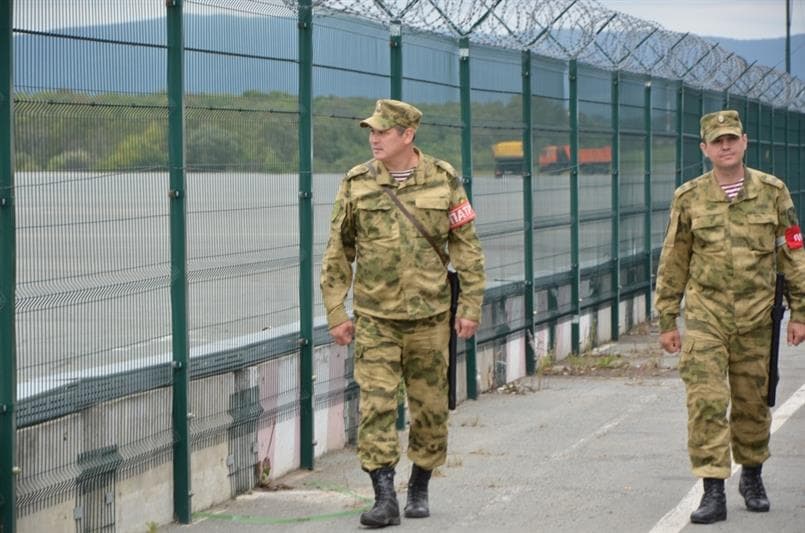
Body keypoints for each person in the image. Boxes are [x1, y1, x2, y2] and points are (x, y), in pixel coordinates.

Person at [320, 99, 486, 527]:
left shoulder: (444, 180)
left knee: (430, 408)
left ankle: (419, 486)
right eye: (372, 132)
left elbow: (466, 247)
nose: (374, 139)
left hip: (430, 318)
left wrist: (470, 305)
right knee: (375, 405)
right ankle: (383, 497)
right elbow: (339, 251)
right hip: (376, 319)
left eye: (382, 131)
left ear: (407, 135)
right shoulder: (357, 183)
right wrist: (336, 310)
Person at [654, 109, 805, 524]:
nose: (726, 146)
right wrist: (667, 318)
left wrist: (800, 312)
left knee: (753, 405)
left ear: (744, 142)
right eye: (717, 141)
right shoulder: (689, 198)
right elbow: (674, 259)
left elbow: (792, 253)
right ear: (705, 148)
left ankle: (752, 476)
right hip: (707, 318)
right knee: (706, 401)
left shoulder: (773, 192)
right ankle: (713, 489)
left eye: (731, 139)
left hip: (757, 319)